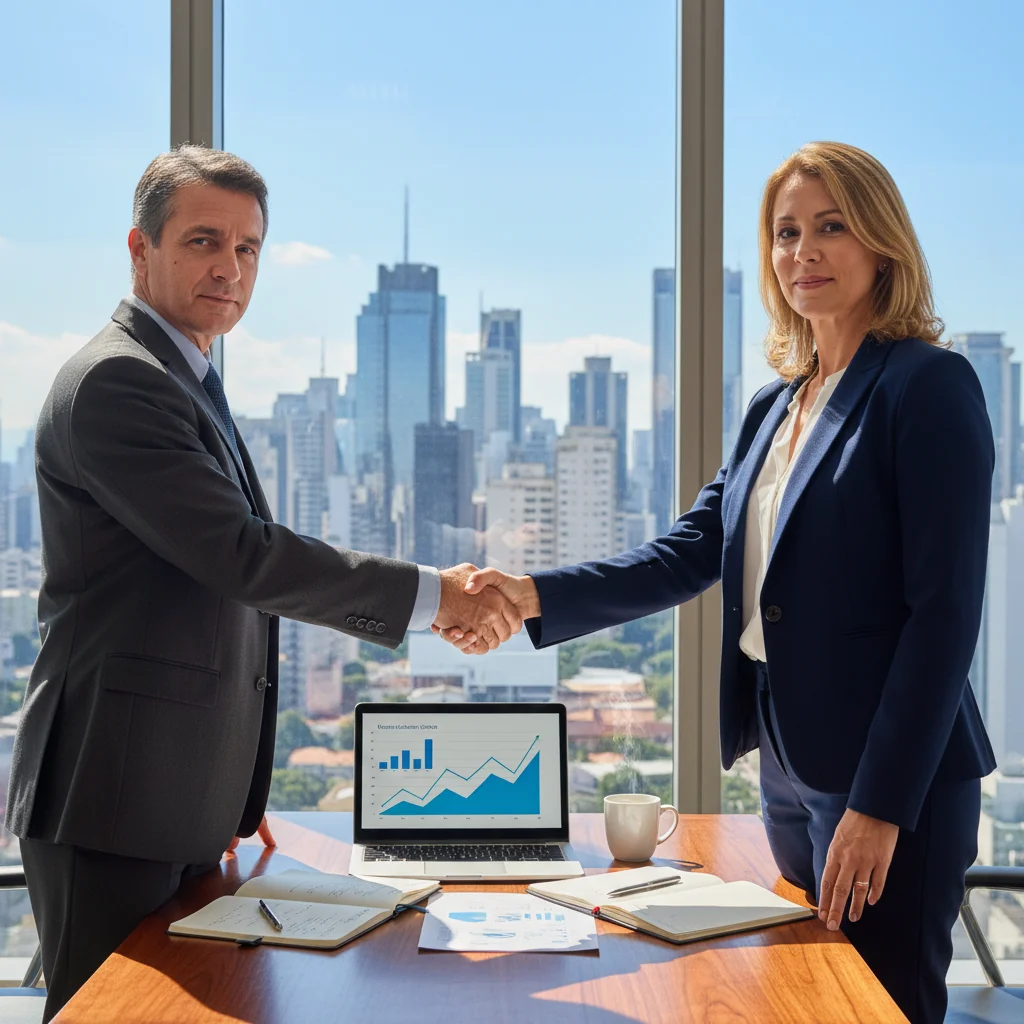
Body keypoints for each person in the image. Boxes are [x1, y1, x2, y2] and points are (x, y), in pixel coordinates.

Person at [438, 141, 996, 1024]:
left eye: (830, 228)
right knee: (807, 998)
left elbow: (945, 614)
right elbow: (692, 550)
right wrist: (532, 594)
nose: (802, 252)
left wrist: (882, 804)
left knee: (882, 1007)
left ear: (881, 245)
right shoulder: (775, 408)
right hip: (787, 757)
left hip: (893, 776)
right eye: (785, 233)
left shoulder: (927, 386)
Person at [5, 144, 520, 1022]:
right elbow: (244, 557)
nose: (229, 267)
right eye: (204, 241)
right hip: (113, 799)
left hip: (169, 796)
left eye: (248, 249)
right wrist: (440, 597)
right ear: (140, 249)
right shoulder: (119, 381)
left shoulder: (185, 373)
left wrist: (229, 788)